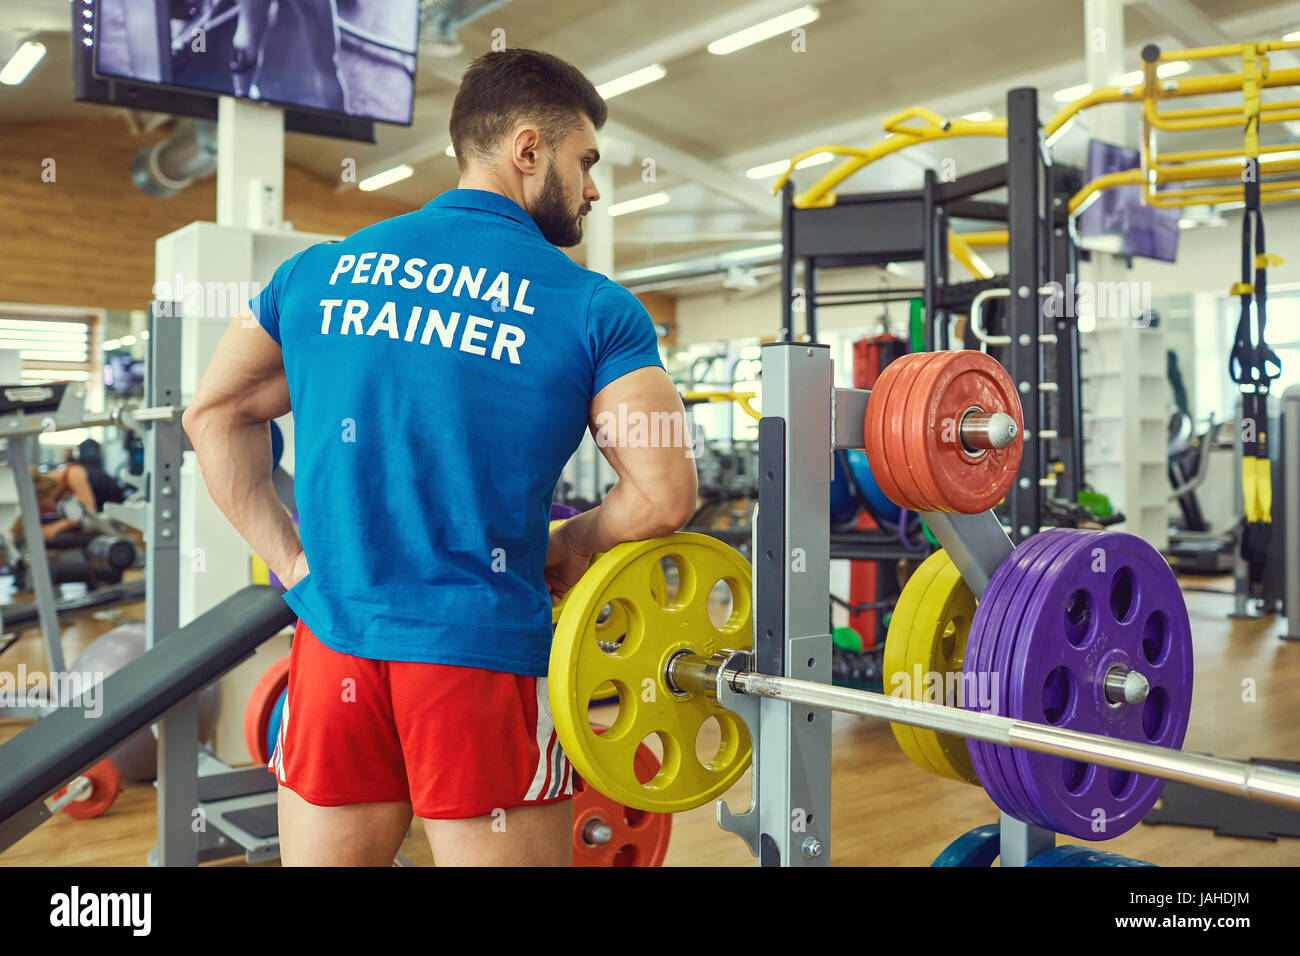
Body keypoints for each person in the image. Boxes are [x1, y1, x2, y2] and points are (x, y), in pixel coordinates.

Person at [184, 49, 697, 866]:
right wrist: (567, 547)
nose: (595, 189)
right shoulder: (594, 306)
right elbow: (667, 494)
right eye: (586, 161)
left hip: (333, 641)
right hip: (480, 656)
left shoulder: (314, 273)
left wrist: (293, 565)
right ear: (528, 151)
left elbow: (210, 411)